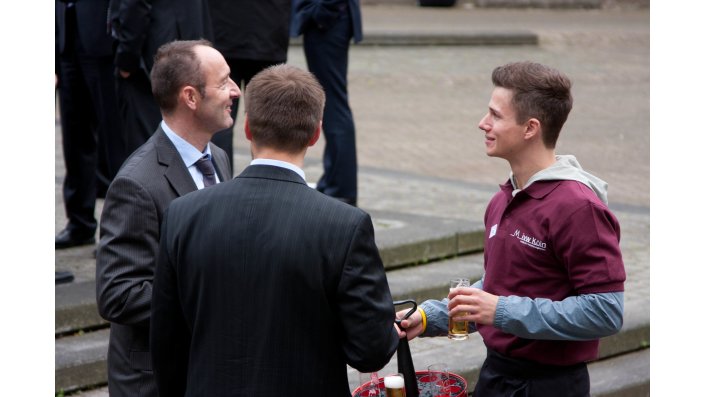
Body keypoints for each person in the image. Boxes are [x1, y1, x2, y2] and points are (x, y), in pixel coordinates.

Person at [150, 64, 398, 396]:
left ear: (248, 128)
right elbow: (371, 350)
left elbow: (166, 344)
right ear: (316, 133)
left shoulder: (183, 214)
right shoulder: (344, 225)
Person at [397, 61, 627, 397]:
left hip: (550, 386)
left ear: (530, 128)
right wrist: (430, 317)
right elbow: (498, 288)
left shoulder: (578, 207)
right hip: (497, 377)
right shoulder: (503, 199)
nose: (482, 123)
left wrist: (500, 310)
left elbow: (605, 311)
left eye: (495, 116)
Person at [96, 40, 238, 397]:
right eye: (223, 83)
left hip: (206, 368)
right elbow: (118, 294)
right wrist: (209, 296)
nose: (235, 90)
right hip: (157, 381)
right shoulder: (136, 183)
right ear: (190, 97)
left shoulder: (218, 157)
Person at [55, 0, 127, 249]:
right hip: (68, 37)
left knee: (114, 145)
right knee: (74, 139)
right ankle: (79, 222)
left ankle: (119, 229)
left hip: (103, 43)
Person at [108, 0, 214, 155]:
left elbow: (135, 6)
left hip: (152, 60)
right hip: (187, 45)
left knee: (148, 149)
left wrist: (126, 58)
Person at [291, 0, 362, 206]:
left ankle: (340, 187)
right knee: (331, 105)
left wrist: (319, 12)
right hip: (329, 20)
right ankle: (334, 181)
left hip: (330, 21)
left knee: (333, 105)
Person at [207, 0, 292, 170]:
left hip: (225, 31)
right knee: (269, 121)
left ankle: (218, 182)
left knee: (220, 118)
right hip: (269, 32)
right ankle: (270, 178)